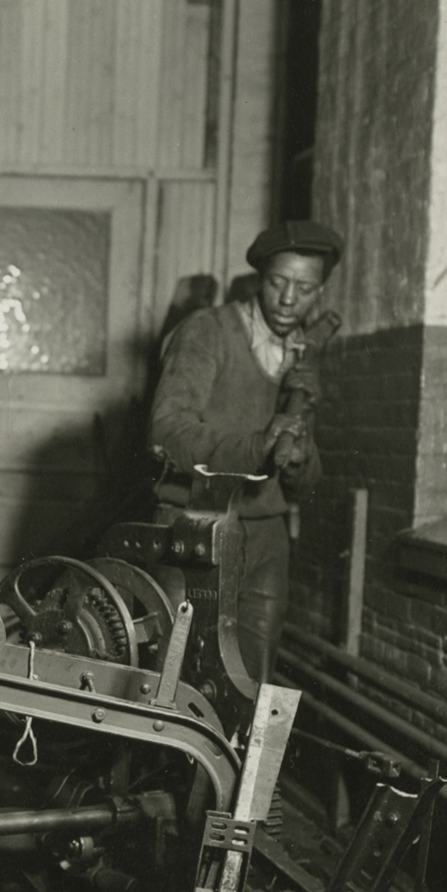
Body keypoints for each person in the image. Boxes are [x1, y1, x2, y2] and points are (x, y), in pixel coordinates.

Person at [147, 220, 343, 685]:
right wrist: (256, 446)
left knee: (251, 688)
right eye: (277, 282)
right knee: (172, 684)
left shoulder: (304, 357)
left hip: (266, 540)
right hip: (194, 527)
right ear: (259, 278)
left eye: (304, 289)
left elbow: (304, 484)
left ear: (319, 292)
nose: (288, 299)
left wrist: (299, 458)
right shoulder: (208, 332)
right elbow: (166, 432)